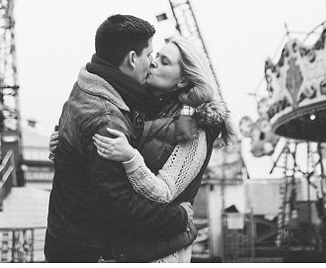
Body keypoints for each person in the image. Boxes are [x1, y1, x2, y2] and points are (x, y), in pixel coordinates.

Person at [44, 15, 196, 263]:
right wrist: (180, 217)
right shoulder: (107, 120)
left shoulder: (88, 83)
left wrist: (65, 148)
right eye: (150, 55)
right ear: (133, 58)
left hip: (65, 238)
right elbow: (120, 206)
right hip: (86, 250)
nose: (153, 63)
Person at [92, 35, 239, 262]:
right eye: (156, 56)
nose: (153, 62)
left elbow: (165, 192)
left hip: (163, 253)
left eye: (165, 61)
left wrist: (130, 157)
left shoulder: (194, 127)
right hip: (130, 246)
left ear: (182, 81)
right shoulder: (142, 109)